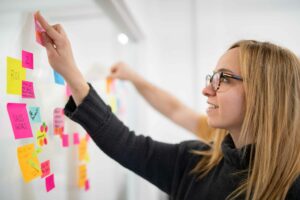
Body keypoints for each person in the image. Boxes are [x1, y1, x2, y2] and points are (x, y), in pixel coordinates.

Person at [35, 11, 300, 199]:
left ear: (265, 93)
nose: (207, 89)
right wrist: (73, 75)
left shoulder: (292, 185)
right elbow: (127, 144)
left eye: (223, 79)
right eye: (212, 77)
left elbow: (176, 110)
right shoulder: (198, 162)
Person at [109, 62, 221, 142]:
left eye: (224, 80)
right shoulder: (217, 132)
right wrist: (133, 77)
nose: (206, 91)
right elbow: (175, 110)